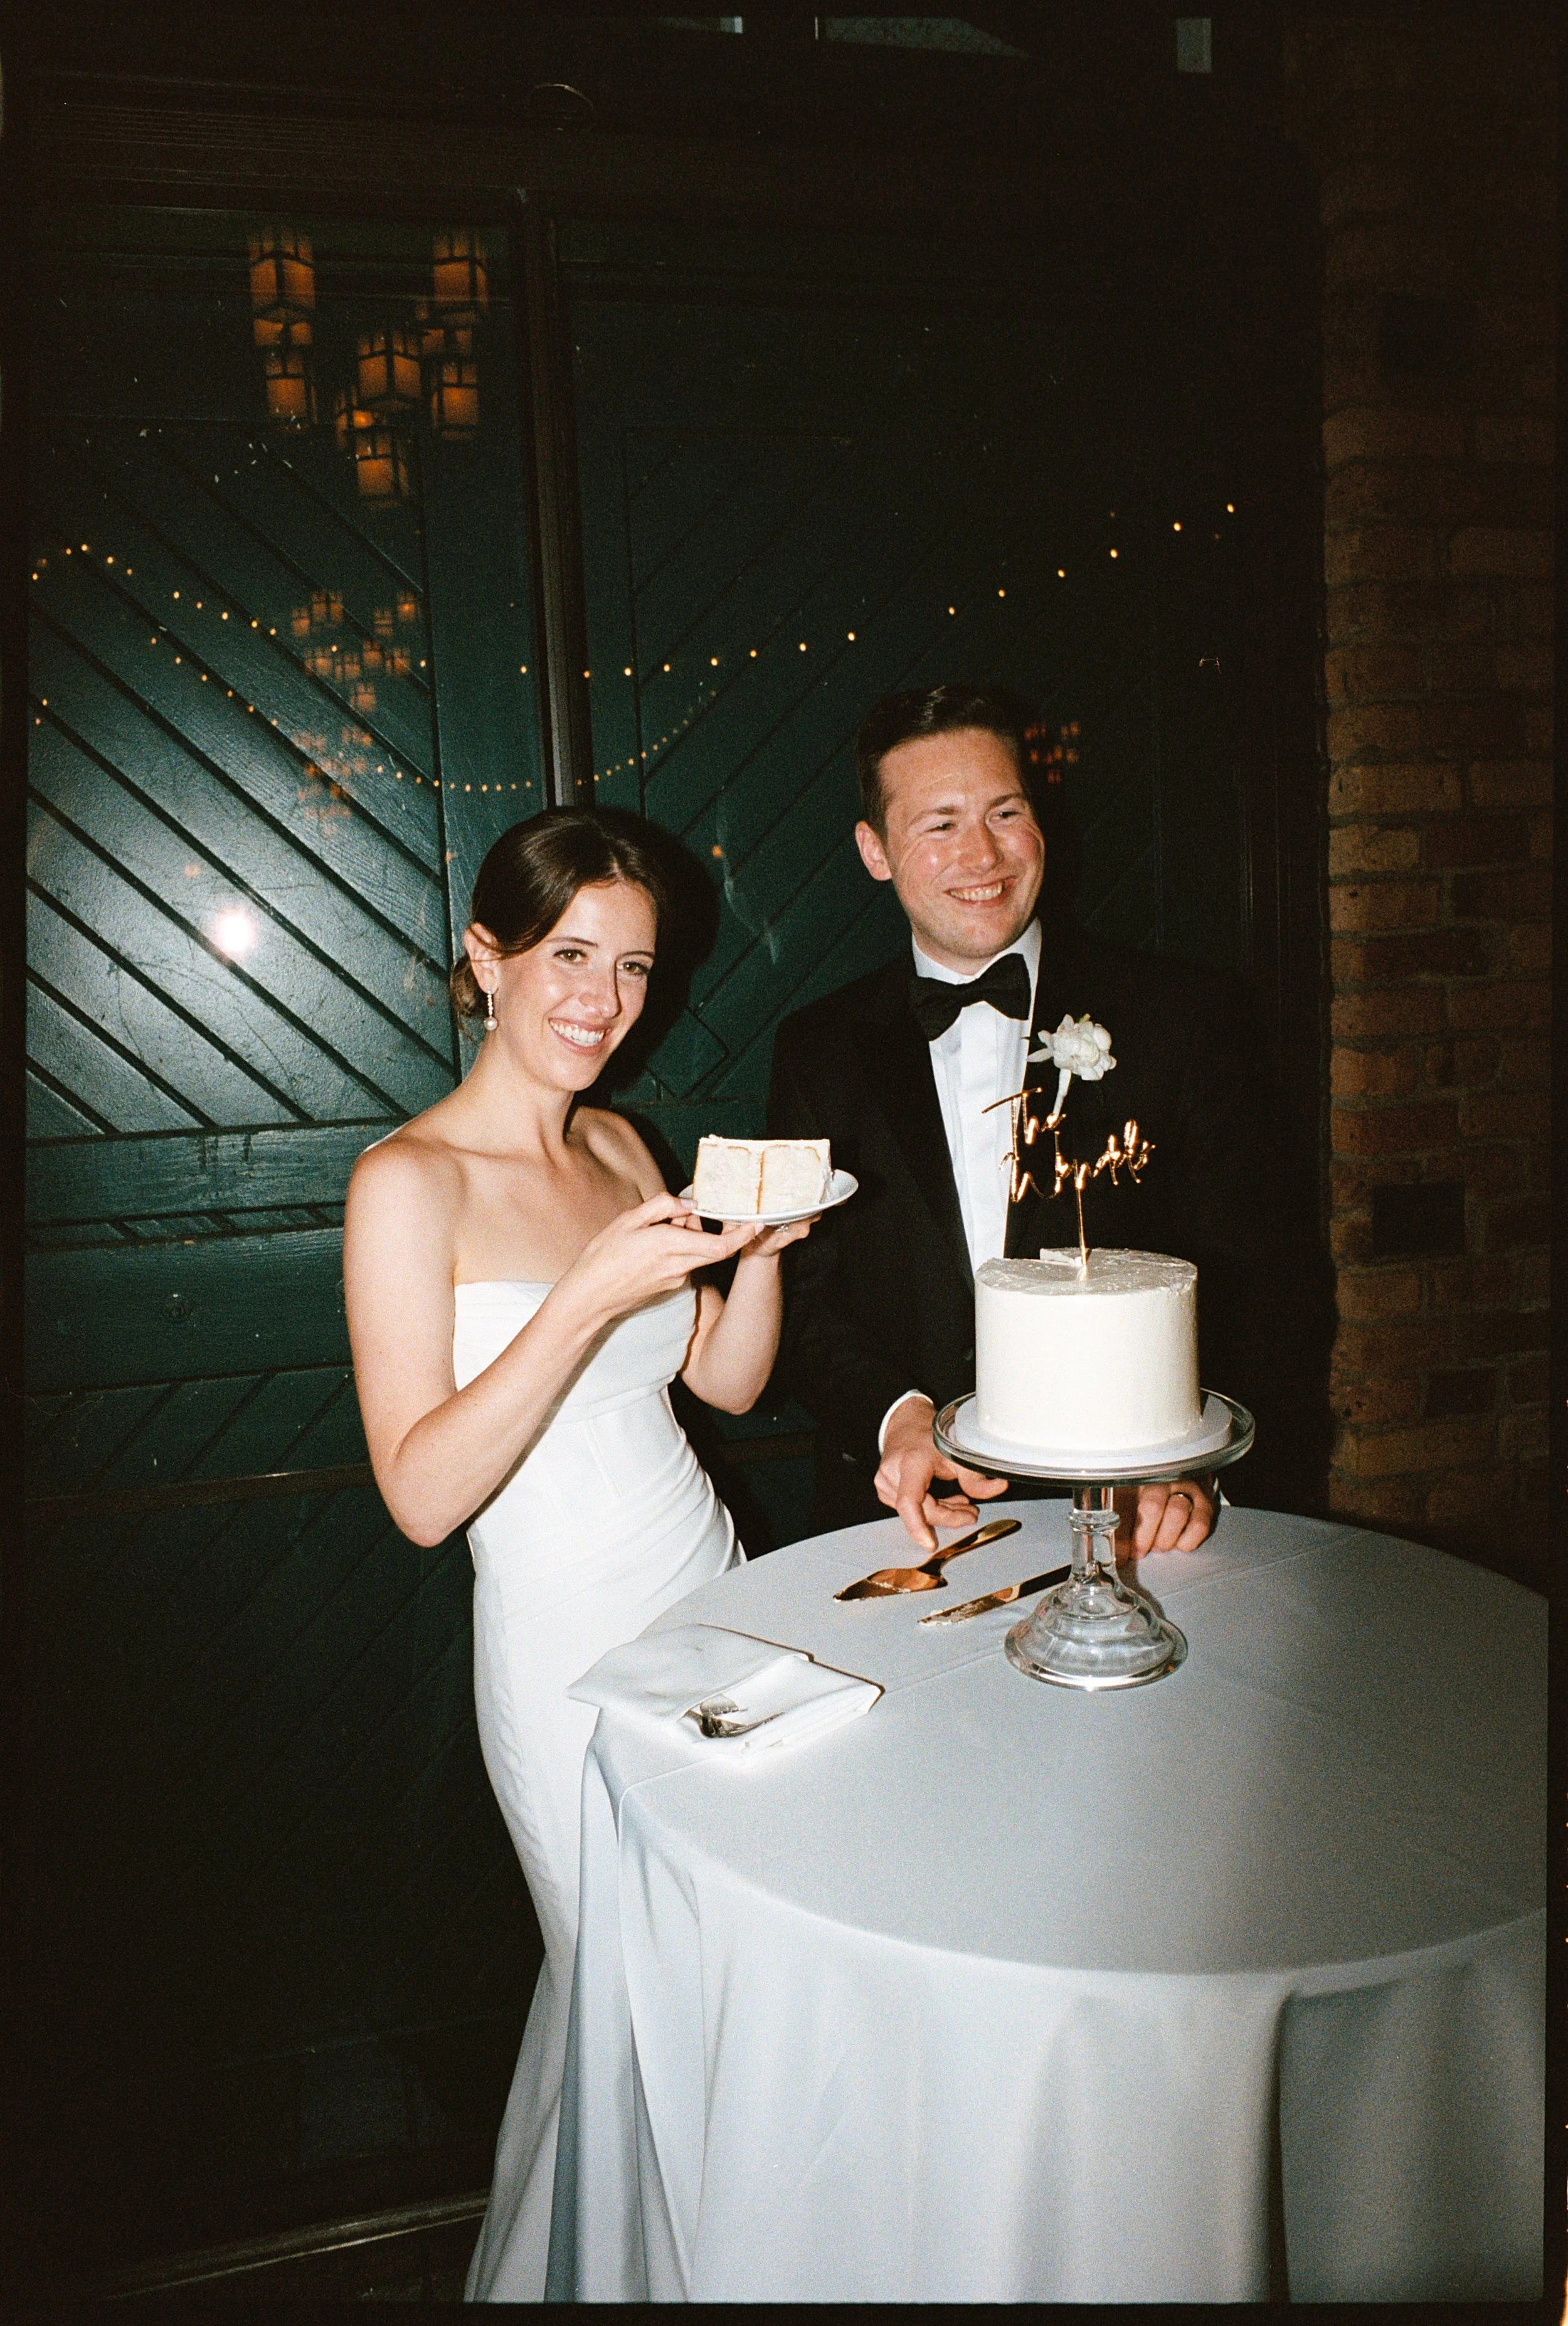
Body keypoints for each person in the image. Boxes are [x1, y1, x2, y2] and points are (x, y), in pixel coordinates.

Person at [343, 808, 813, 2303]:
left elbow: (720, 1386)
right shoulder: (404, 1186)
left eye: (632, 967)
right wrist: (577, 1299)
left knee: (751, 1983)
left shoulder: (620, 1141)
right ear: (484, 958)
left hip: (715, 1590)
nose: (599, 1001)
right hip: (563, 1660)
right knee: (641, 2012)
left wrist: (759, 1261)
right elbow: (422, 1495)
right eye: (564, 956)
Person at [768, 682, 1300, 1554]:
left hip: (1145, 1523)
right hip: (907, 1522)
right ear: (875, 849)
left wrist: (1192, 1458)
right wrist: (894, 1418)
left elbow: (1262, 1275)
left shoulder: (1184, 1018)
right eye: (939, 824)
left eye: (1005, 812)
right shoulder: (817, 1049)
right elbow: (801, 1295)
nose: (982, 854)